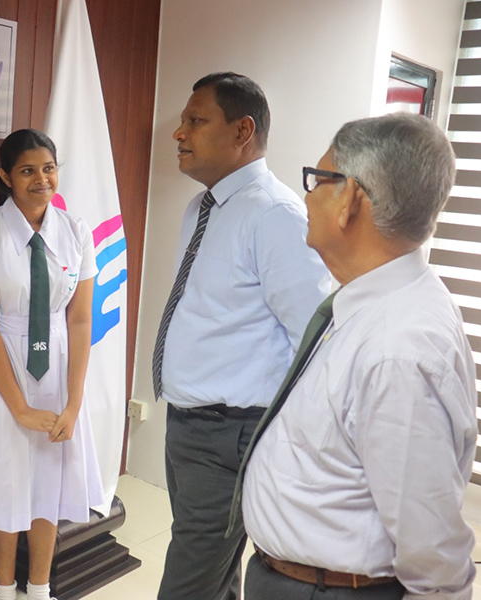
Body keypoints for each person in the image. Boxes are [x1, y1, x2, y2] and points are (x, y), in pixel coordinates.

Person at [240, 113, 477, 600]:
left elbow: (433, 553)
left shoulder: (398, 349)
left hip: (328, 590)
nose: (306, 195)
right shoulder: (372, 304)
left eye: (317, 179)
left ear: (349, 198)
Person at [152, 72, 331, 600]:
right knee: (216, 577)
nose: (179, 134)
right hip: (186, 423)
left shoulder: (274, 216)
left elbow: (314, 338)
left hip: (229, 433)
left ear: (241, 131)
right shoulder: (201, 208)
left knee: (187, 585)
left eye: (195, 121)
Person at [0, 129, 103, 600]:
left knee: (47, 477)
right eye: (27, 170)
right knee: (5, 477)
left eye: (49, 168)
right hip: (3, 364)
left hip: (56, 365)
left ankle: (39, 587)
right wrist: (17, 406)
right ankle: (2, 586)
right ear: (6, 176)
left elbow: (79, 321)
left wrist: (74, 402)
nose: (41, 179)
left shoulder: (76, 231)